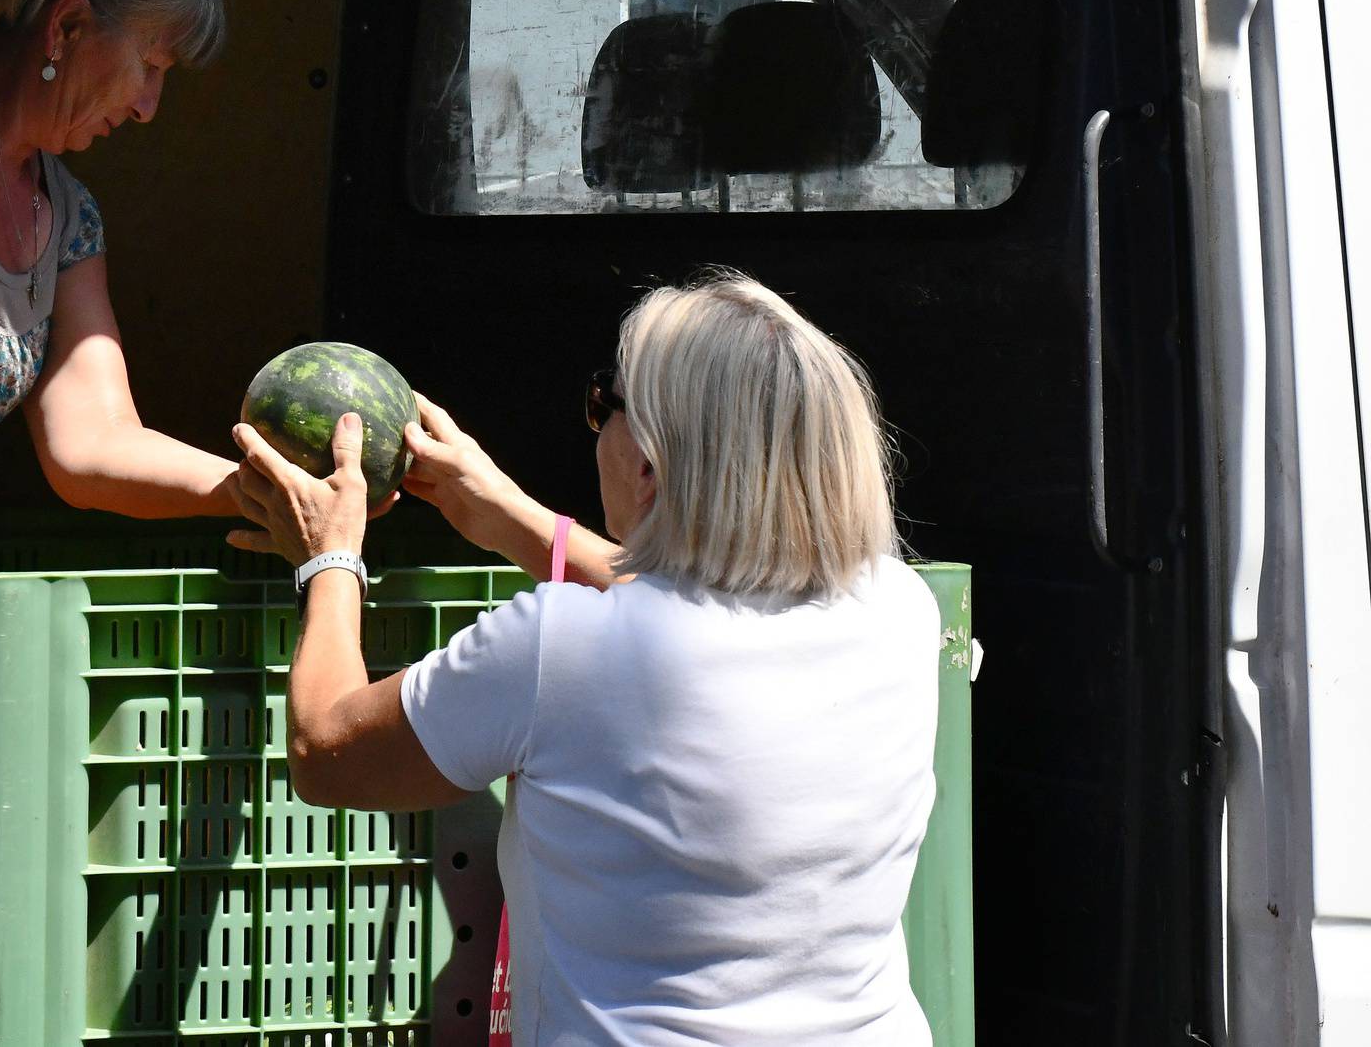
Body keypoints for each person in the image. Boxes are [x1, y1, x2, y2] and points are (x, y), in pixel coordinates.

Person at [228, 272, 941, 1044]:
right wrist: (517, 520)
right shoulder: (899, 608)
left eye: (607, 403)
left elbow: (328, 752)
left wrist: (328, 558)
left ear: (648, 468)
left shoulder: (561, 648)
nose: (595, 423)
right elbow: (701, 602)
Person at [0, 0, 238, 568]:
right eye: (151, 64)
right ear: (66, 25)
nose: (149, 107)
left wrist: (251, 489)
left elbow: (92, 442)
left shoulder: (71, 220)